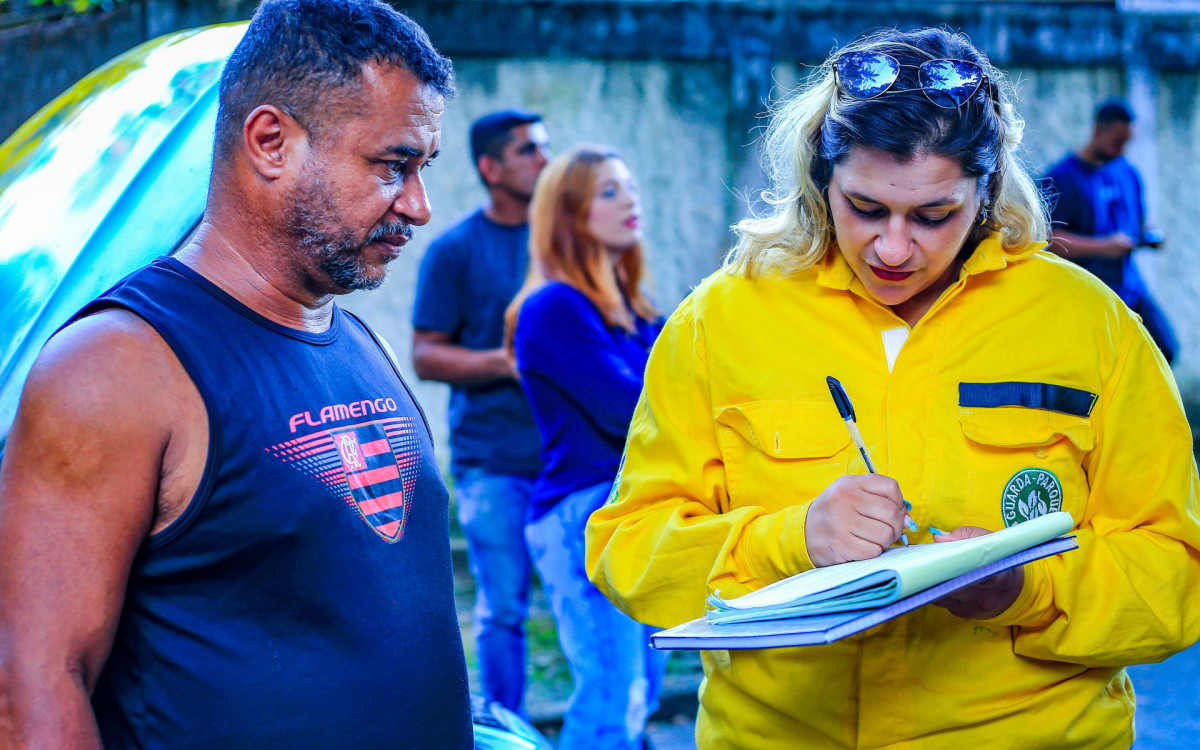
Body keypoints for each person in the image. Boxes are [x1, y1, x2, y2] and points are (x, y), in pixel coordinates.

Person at [587, 28, 1200, 750]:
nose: (894, 248)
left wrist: (1025, 590)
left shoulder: (1089, 323)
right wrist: (792, 541)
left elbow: (1175, 575)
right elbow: (628, 548)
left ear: (988, 188)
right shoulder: (720, 318)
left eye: (934, 216)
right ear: (822, 177)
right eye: (866, 208)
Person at [0, 1, 473, 748]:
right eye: (393, 165)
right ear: (270, 141)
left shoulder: (349, 337)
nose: (418, 206)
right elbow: (31, 694)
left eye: (423, 168)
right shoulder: (116, 367)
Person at [504, 145, 667, 750]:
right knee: (610, 699)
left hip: (631, 515)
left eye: (630, 187)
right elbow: (633, 411)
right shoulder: (553, 308)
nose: (631, 201)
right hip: (582, 514)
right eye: (609, 192)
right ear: (570, 214)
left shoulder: (637, 312)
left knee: (641, 694)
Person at [411, 109, 550, 714]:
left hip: (576, 464)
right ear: (491, 168)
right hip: (493, 463)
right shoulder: (455, 251)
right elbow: (426, 355)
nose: (544, 160)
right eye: (527, 151)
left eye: (544, 147)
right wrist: (507, 363)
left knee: (606, 603)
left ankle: (619, 724)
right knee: (504, 611)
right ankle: (505, 724)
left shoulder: (566, 241)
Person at [1043, 97, 1179, 363]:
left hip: (1130, 288)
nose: (1122, 149)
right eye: (1118, 142)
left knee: (1164, 351)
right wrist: (1104, 248)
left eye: (1127, 143)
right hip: (1089, 294)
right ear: (1097, 130)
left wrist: (1151, 236)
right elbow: (1050, 240)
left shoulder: (1128, 172)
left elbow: (1138, 224)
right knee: (1102, 364)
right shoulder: (1061, 177)